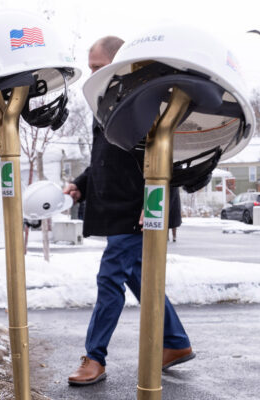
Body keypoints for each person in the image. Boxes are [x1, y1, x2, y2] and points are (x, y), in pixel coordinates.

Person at [64, 36, 194, 387]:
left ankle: (95, 357)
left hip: (139, 208)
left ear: (118, 61)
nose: (91, 74)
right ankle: (176, 343)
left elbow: (170, 155)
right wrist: (81, 184)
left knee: (109, 279)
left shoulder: (147, 97)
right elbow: (107, 158)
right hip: (119, 206)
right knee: (139, 277)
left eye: (96, 67)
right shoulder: (106, 100)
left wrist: (155, 202)